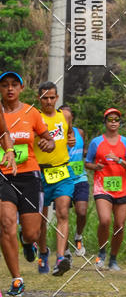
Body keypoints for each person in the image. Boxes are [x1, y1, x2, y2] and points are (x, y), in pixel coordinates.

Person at [0, 71, 53, 295]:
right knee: (6, 225)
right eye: (4, 85)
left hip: (29, 175)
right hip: (3, 175)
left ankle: (26, 241)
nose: (9, 89)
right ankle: (17, 279)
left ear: (21, 88)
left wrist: (48, 144)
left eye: (14, 85)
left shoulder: (32, 113)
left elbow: (47, 138)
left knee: (32, 232)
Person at [85, 108, 126, 271]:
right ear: (105, 122)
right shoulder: (96, 142)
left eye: (116, 120)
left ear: (119, 123)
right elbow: (87, 162)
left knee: (119, 225)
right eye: (110, 119)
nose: (113, 122)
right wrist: (95, 166)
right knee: (105, 220)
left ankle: (113, 259)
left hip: (121, 189)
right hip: (102, 187)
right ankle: (101, 252)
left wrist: (120, 161)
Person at [33, 81, 76, 275]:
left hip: (62, 172)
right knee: (40, 219)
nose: (49, 101)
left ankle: (60, 259)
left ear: (57, 98)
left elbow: (70, 133)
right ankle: (43, 253)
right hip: (40, 173)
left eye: (52, 97)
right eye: (45, 98)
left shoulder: (65, 115)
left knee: (63, 213)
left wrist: (71, 139)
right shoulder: (34, 117)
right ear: (39, 99)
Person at [62, 103, 89, 257]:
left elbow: (82, 150)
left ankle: (78, 236)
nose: (66, 118)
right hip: (63, 178)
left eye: (68, 115)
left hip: (80, 176)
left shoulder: (80, 132)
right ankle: (65, 250)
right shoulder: (56, 135)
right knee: (63, 214)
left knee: (82, 211)